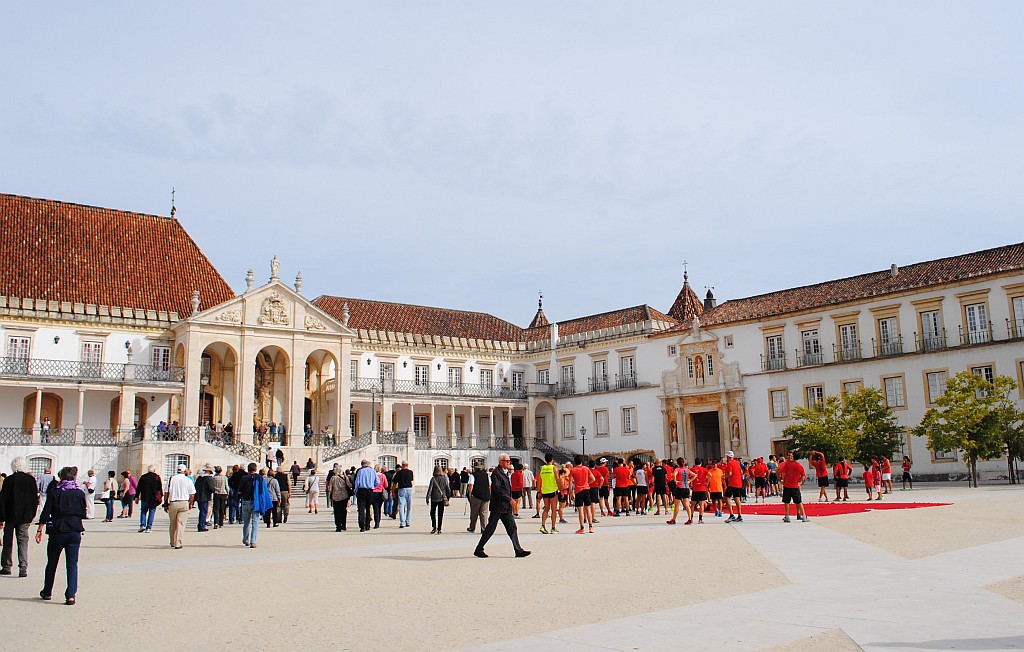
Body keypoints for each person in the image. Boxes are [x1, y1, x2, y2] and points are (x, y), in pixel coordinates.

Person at [35, 466, 87, 605]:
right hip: (75, 530)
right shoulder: (80, 493)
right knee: (72, 564)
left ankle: (47, 591)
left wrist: (40, 529)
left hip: (58, 529)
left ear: (61, 477)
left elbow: (46, 512)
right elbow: (83, 513)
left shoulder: (55, 492)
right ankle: (71, 595)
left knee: (52, 562)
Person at [473, 455, 531, 559]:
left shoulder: (503, 472)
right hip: (498, 506)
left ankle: (518, 550)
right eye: (507, 461)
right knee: (490, 528)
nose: (509, 462)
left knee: (512, 526)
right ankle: (479, 548)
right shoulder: (496, 473)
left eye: (509, 461)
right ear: (500, 462)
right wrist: (509, 499)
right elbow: (497, 489)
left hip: (505, 507)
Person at [1, 457, 40, 577]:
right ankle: (23, 566)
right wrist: (33, 514)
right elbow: (35, 499)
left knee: (8, 541)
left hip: (10, 515)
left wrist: (1, 517)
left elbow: (2, 500)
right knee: (23, 541)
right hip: (25, 515)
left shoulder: (9, 480)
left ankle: (7, 566)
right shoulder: (31, 480)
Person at [163, 464, 196, 549]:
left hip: (173, 502)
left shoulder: (171, 479)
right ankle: (178, 542)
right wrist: (191, 503)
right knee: (181, 523)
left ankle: (173, 541)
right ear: (185, 471)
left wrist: (165, 503)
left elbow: (166, 492)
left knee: (173, 523)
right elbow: (192, 494)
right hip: (184, 502)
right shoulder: (188, 480)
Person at [779, 452, 809, 523]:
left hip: (787, 485)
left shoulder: (787, 465)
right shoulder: (799, 466)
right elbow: (803, 475)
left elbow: (783, 474)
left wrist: (782, 480)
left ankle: (787, 516)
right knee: (799, 502)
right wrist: (800, 482)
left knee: (786, 502)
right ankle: (804, 516)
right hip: (795, 486)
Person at [239, 462, 262, 548]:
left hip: (246, 501)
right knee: (255, 522)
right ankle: (253, 541)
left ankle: (246, 539)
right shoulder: (259, 478)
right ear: (256, 469)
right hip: (255, 502)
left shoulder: (243, 478)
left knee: (246, 522)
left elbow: (239, 491)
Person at [569, 460, 596, 534]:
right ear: (582, 462)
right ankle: (590, 527)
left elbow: (570, 482)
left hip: (578, 490)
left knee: (580, 510)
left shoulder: (573, 470)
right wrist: (587, 483)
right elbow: (593, 479)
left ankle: (582, 528)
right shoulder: (586, 468)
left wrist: (571, 492)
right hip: (586, 489)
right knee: (588, 508)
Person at [537, 453, 560, 534]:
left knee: (546, 509)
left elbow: (539, 480)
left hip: (545, 490)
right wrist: (561, 489)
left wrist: (539, 491)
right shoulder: (554, 468)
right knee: (554, 510)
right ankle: (553, 528)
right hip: (553, 490)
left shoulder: (541, 468)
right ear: (552, 459)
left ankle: (543, 526)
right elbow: (557, 479)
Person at [136, 466, 162, 533]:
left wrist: (137, 497)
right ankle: (149, 527)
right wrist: (160, 497)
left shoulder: (143, 477)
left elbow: (139, 488)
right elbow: (160, 488)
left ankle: (142, 525)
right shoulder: (157, 477)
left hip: (144, 497)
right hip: (154, 498)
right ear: (154, 470)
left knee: (143, 511)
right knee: (151, 512)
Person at [353, 459, 377, 532]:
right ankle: (367, 525)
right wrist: (373, 486)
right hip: (370, 490)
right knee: (368, 507)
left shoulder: (360, 471)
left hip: (362, 490)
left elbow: (357, 482)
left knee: (361, 508)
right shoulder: (373, 471)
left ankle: (362, 526)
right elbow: (377, 481)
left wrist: (356, 490)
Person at [426, 466, 451, 534]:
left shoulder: (433, 479)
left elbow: (430, 489)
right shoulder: (444, 478)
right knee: (440, 513)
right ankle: (439, 528)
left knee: (432, 512)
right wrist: (448, 497)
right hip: (442, 498)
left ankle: (434, 526)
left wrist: (427, 497)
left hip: (434, 498)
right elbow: (447, 488)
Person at [327, 467, 353, 532]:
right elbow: (349, 485)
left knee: (337, 512)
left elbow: (330, 488)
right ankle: (343, 525)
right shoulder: (344, 477)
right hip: (344, 496)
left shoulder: (333, 478)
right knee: (344, 511)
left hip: (335, 497)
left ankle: (338, 526)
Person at [466, 463, 490, 533]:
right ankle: (484, 528)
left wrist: (470, 494)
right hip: (485, 496)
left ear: (475, 468)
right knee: (484, 513)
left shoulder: (473, 475)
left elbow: (471, 485)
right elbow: (489, 485)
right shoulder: (486, 475)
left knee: (474, 512)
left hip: (476, 496)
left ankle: (472, 527)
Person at [723, 451, 745, 523]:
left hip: (732, 483)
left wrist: (724, 476)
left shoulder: (729, 463)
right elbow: (741, 472)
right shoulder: (737, 462)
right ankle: (739, 515)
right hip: (738, 483)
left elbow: (730, 473)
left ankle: (731, 514)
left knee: (726, 497)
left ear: (728, 457)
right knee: (737, 499)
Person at [194, 465, 215, 532]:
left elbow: (195, 486)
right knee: (204, 511)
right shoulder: (208, 478)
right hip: (205, 496)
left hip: (198, 496)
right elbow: (211, 488)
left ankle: (201, 524)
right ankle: (201, 525)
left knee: (201, 511)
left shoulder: (199, 478)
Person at [394, 462, 414, 528]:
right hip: (409, 489)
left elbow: (394, 482)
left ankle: (402, 522)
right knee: (409, 506)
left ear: (402, 466)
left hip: (401, 489)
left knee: (401, 506)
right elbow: (411, 480)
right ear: (407, 465)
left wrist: (392, 491)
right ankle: (408, 521)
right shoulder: (410, 472)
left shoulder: (399, 473)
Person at [689, 458, 709, 524]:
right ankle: (700, 519)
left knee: (692, 504)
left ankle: (690, 518)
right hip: (702, 488)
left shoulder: (691, 469)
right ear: (701, 463)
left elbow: (688, 476)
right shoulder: (704, 469)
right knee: (701, 504)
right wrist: (707, 482)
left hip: (695, 489)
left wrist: (691, 483)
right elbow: (710, 475)